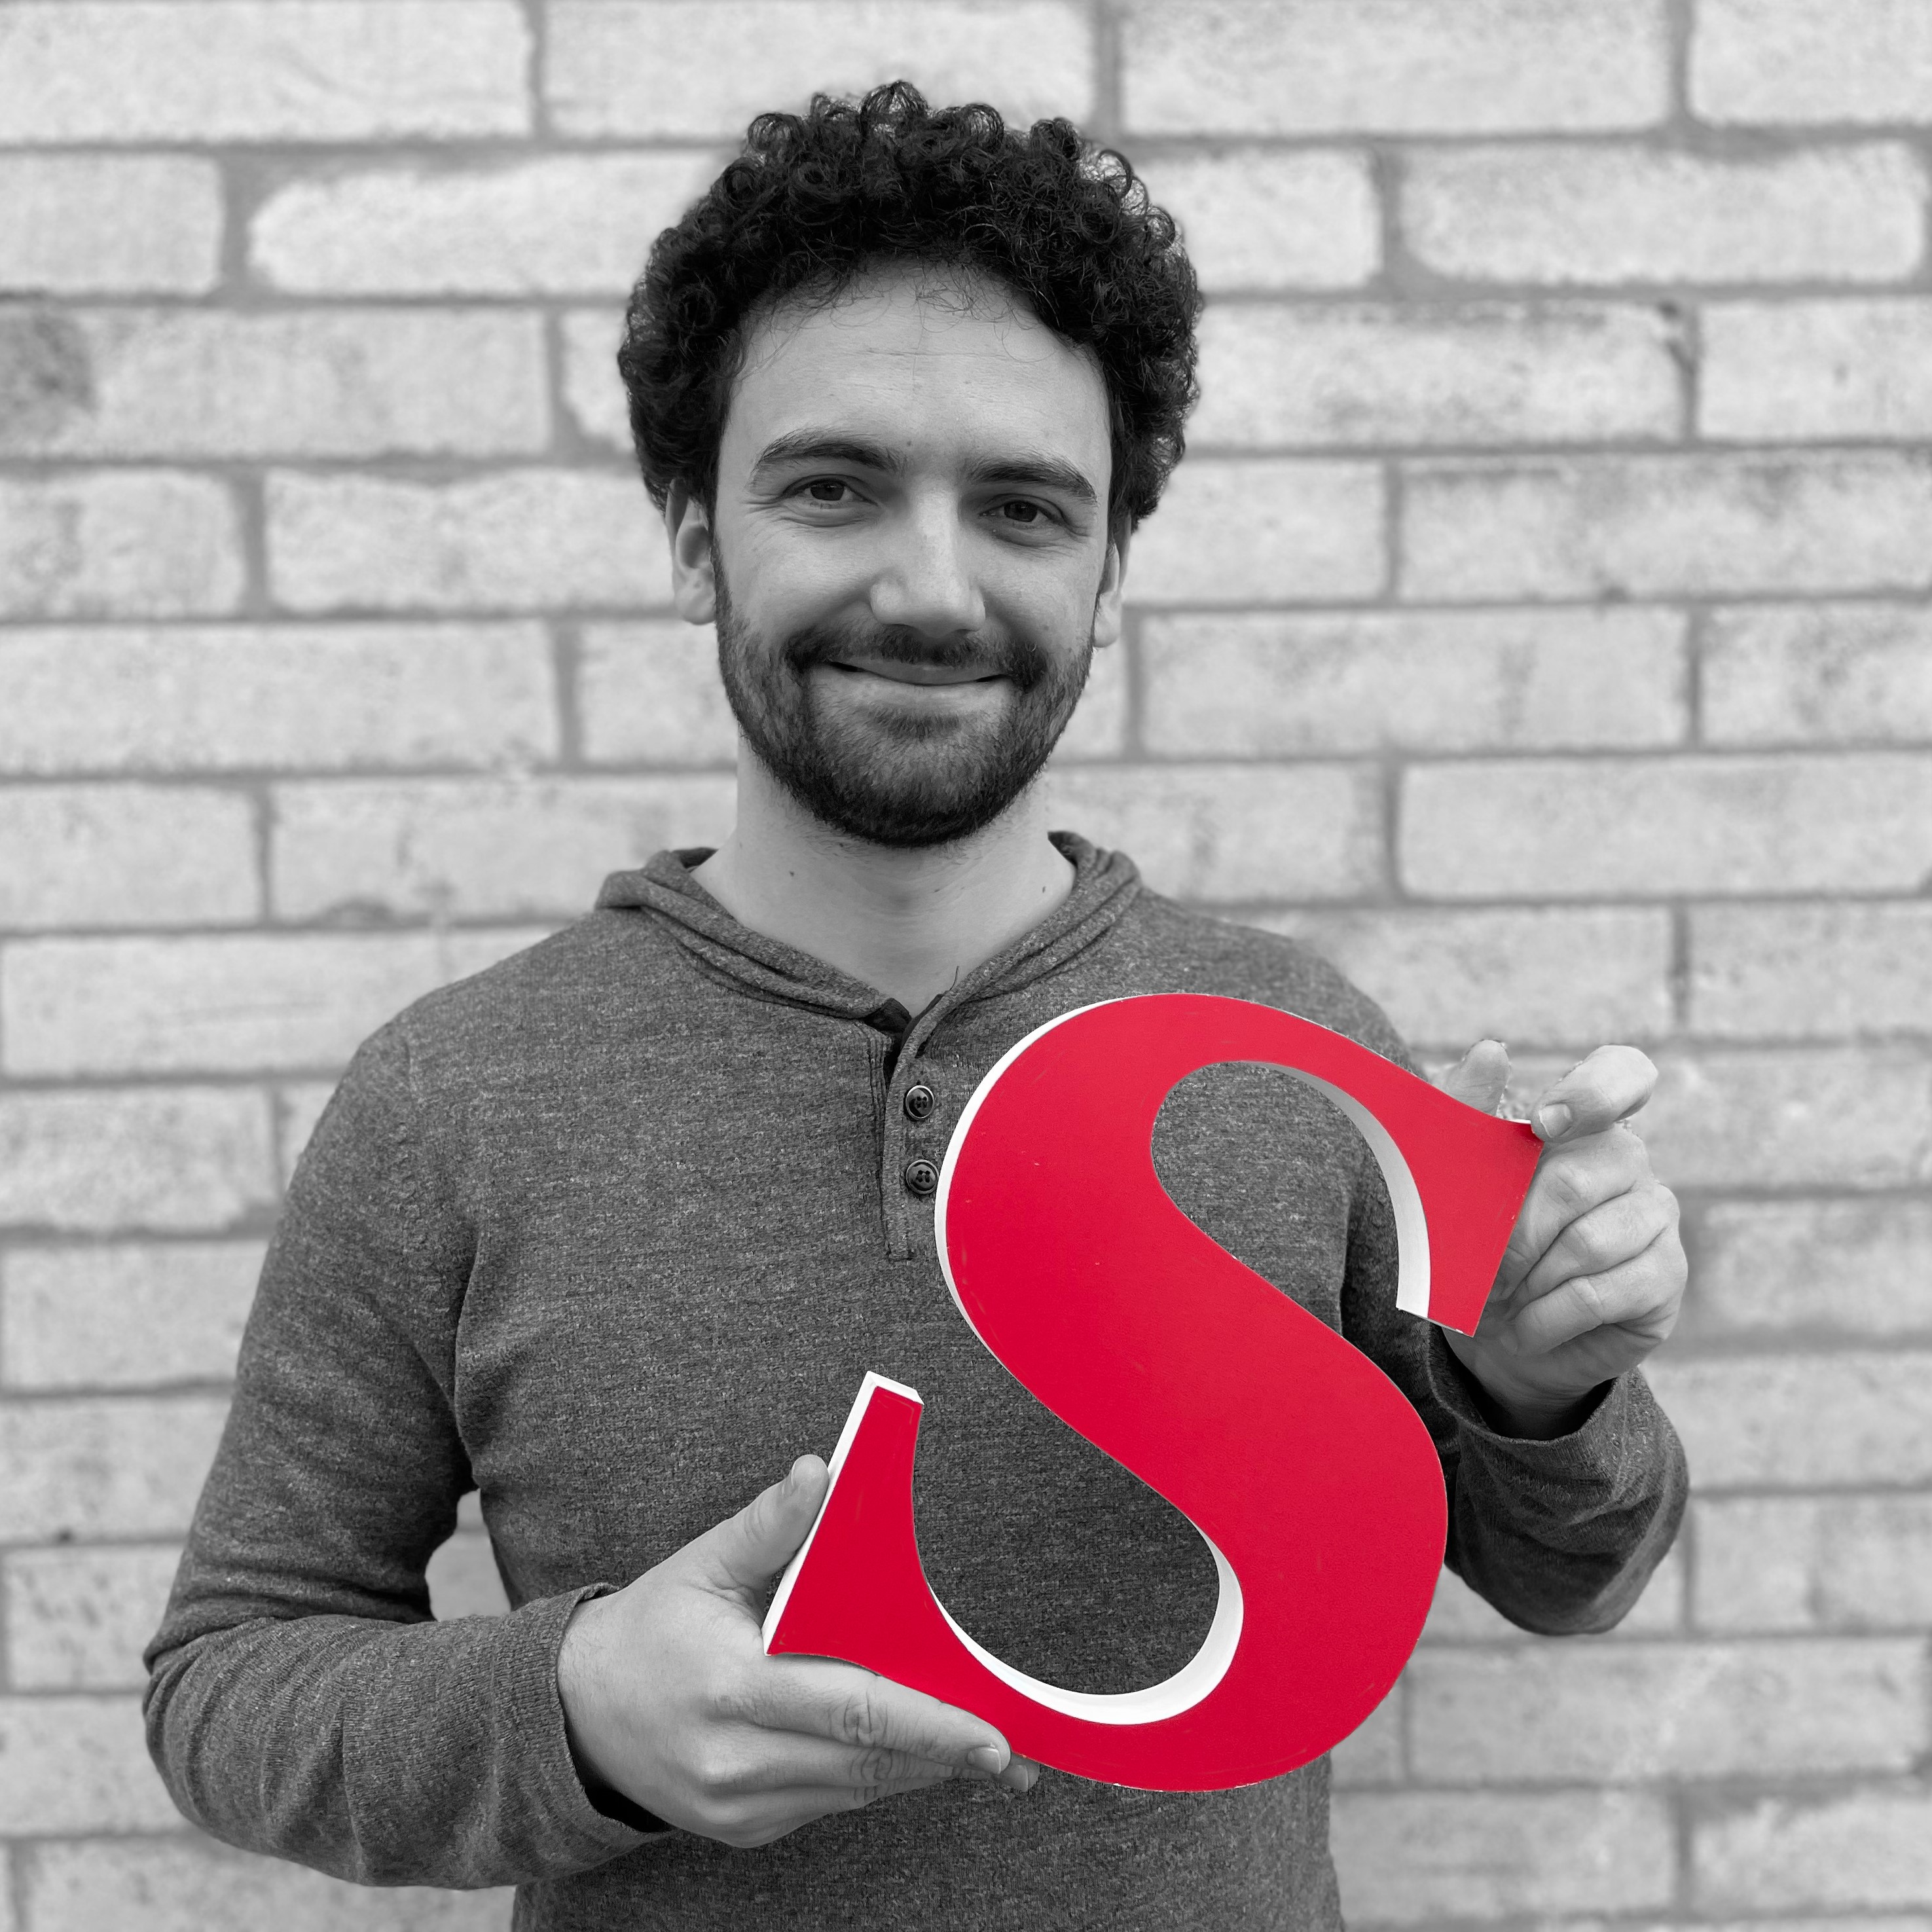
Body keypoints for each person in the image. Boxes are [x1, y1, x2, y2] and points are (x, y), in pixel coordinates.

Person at [145, 83, 1688, 1929]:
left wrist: (1543, 1388)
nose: (932, 586)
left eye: (1023, 508)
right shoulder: (454, 1099)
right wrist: (574, 1711)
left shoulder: (1294, 1048)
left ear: (1106, 575)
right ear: (695, 536)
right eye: (834, 487)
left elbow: (1573, 1576)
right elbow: (229, 1683)